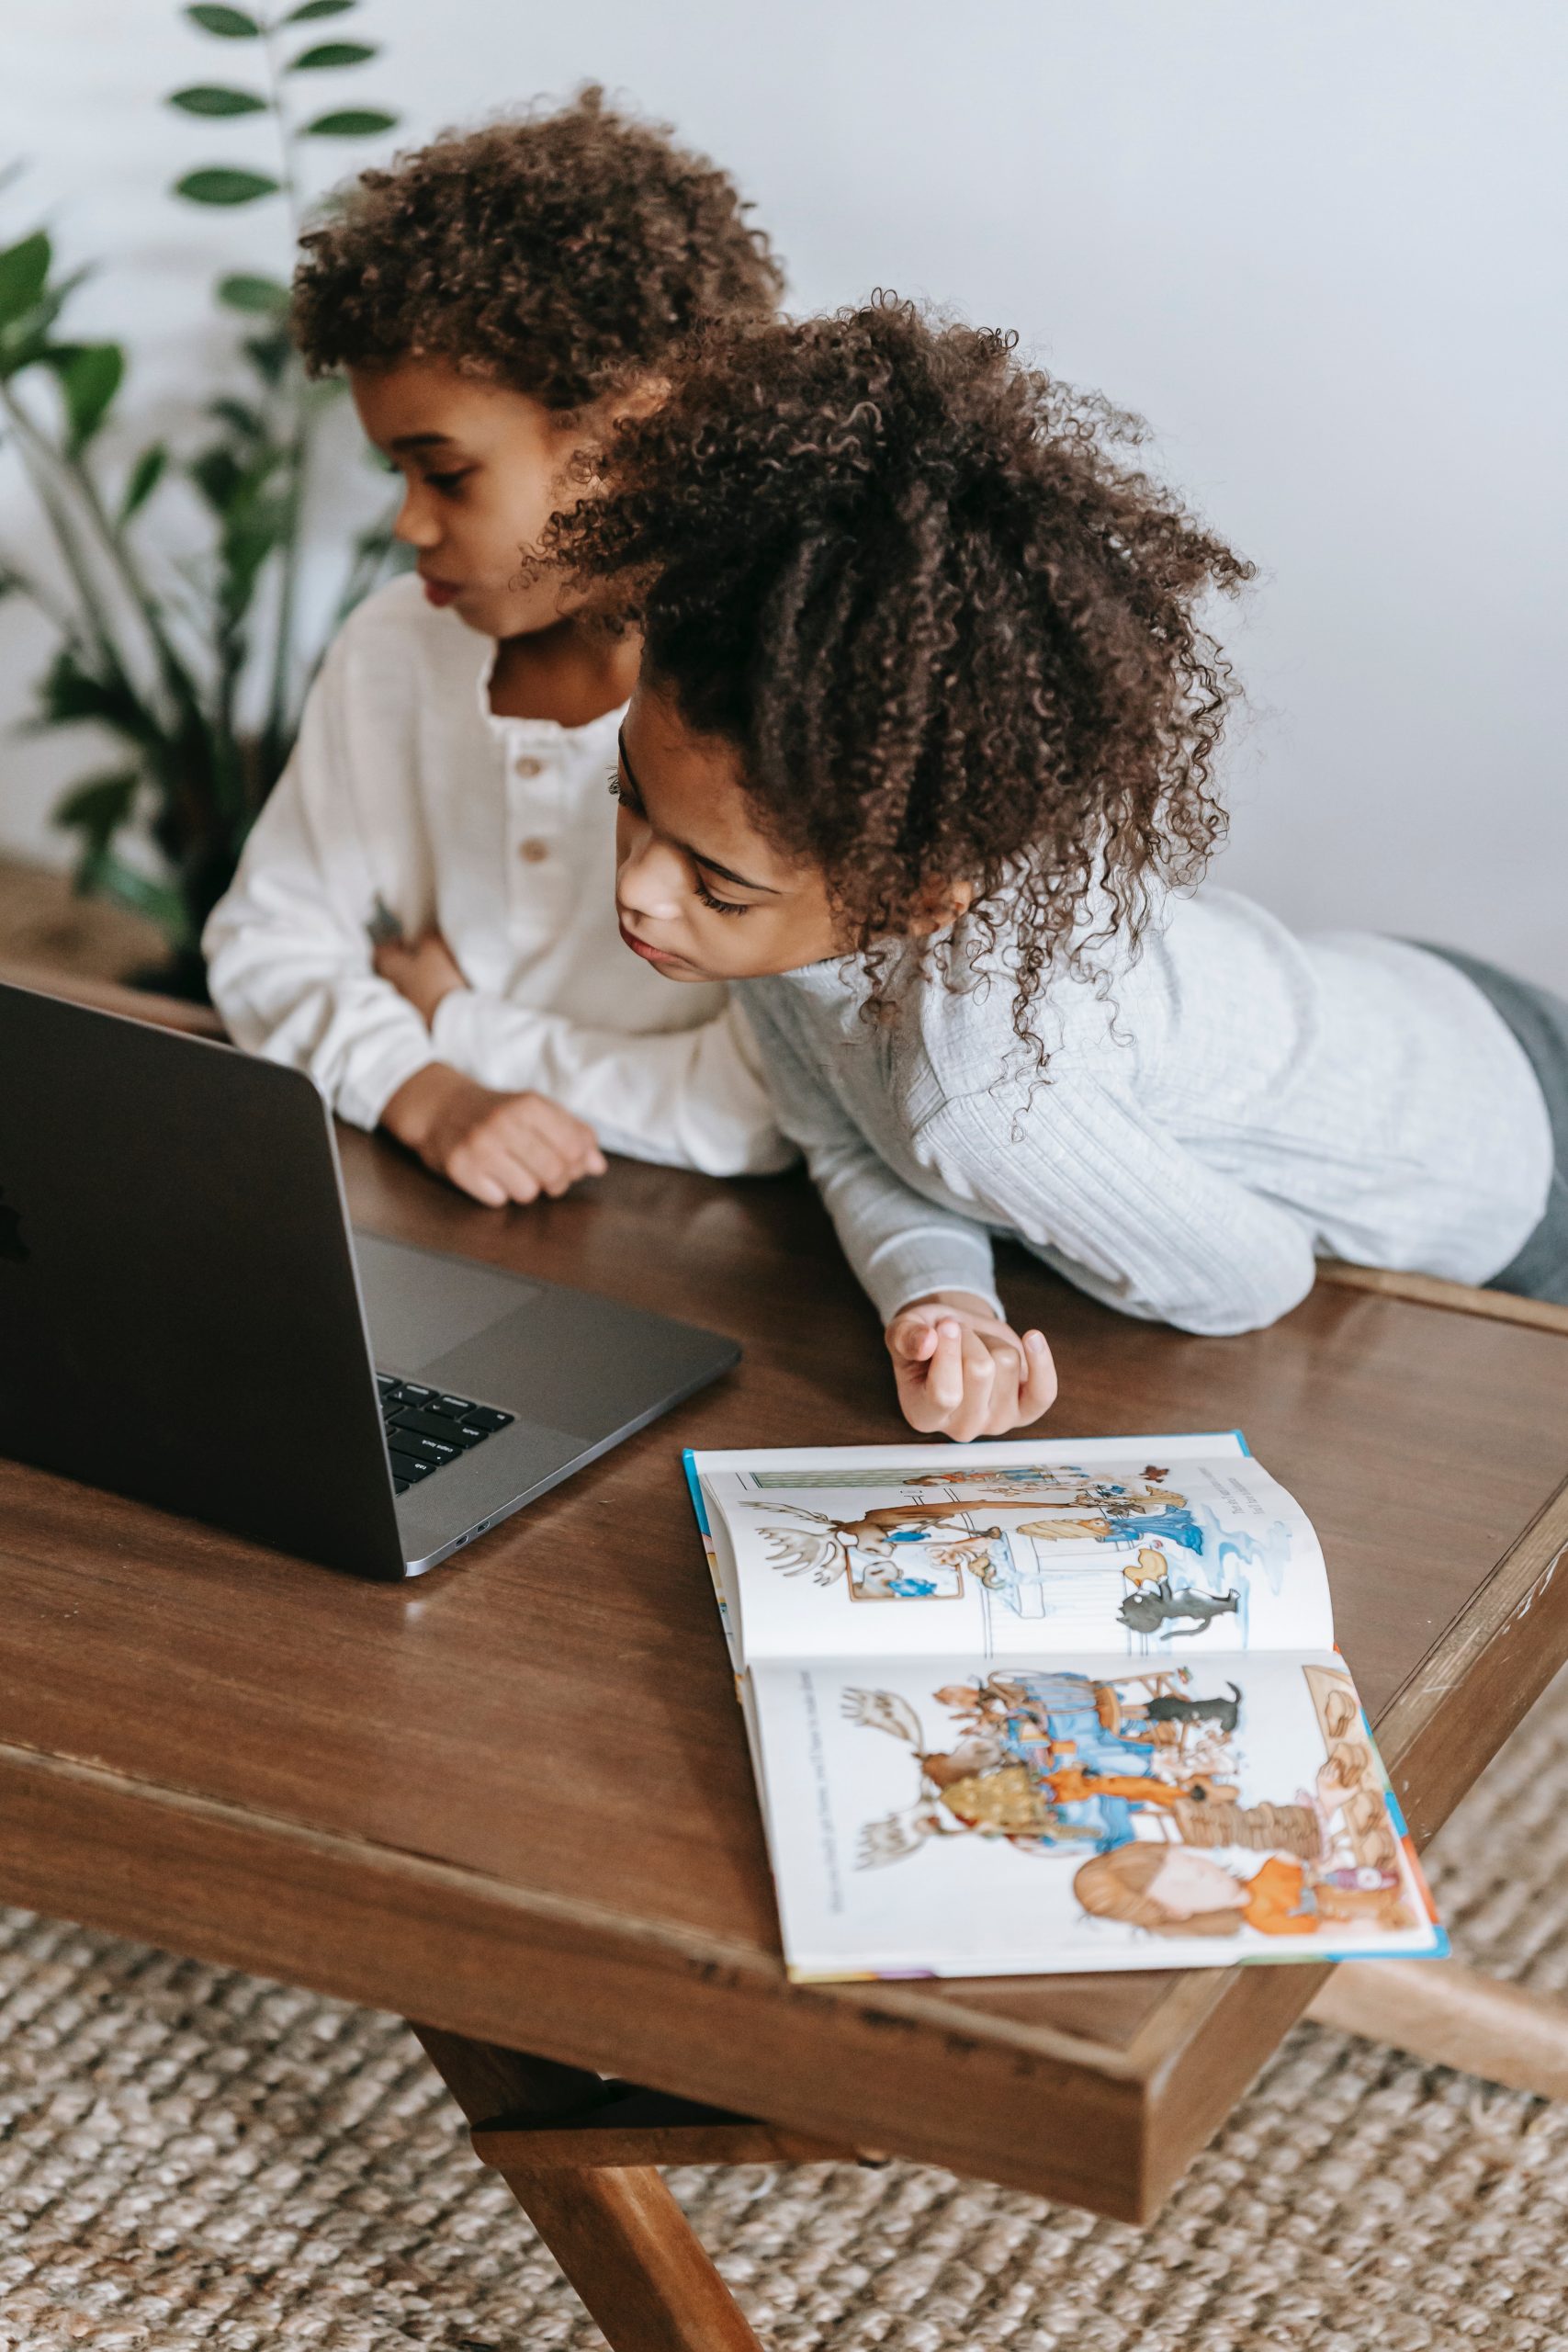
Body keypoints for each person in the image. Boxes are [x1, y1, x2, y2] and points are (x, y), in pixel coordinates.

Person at [541, 296, 1568, 1431]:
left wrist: (1007, 1223)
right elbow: (844, 1131)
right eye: (628, 796)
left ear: (921, 900)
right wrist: (940, 1292)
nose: (637, 883)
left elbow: (1254, 1281)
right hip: (1399, 1004)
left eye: (715, 882)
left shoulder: (987, 1095)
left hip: (1511, 1172)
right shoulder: (838, 879)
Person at [203, 89, 792, 1207]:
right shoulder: (395, 654)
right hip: (427, 1207)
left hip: (715, 1257)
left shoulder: (769, 704)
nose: (408, 525)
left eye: (448, 473)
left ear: (634, 433)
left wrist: (453, 1020)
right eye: (397, 473)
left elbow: (757, 1107)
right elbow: (267, 947)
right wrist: (425, 1091)